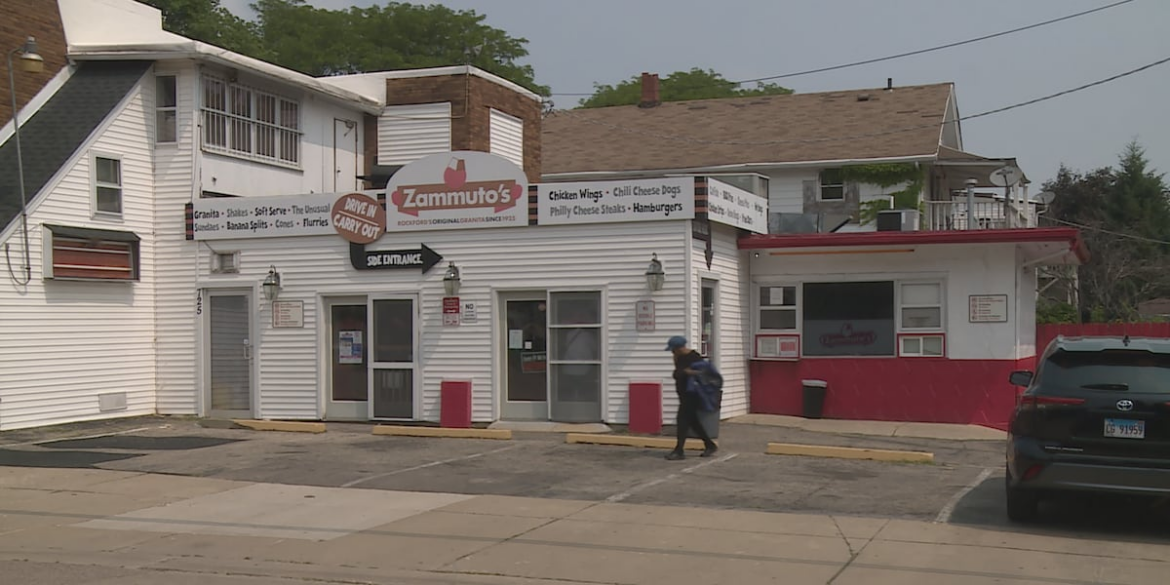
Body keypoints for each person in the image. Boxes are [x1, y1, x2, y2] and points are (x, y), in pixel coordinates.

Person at [665, 336, 718, 460]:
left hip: (693, 394)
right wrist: (682, 370)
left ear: (679, 348)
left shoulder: (694, 357)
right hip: (683, 394)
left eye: (673, 349)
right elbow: (677, 373)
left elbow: (701, 373)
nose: (672, 352)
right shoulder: (679, 357)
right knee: (693, 422)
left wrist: (689, 373)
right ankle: (709, 444)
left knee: (682, 420)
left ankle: (679, 450)